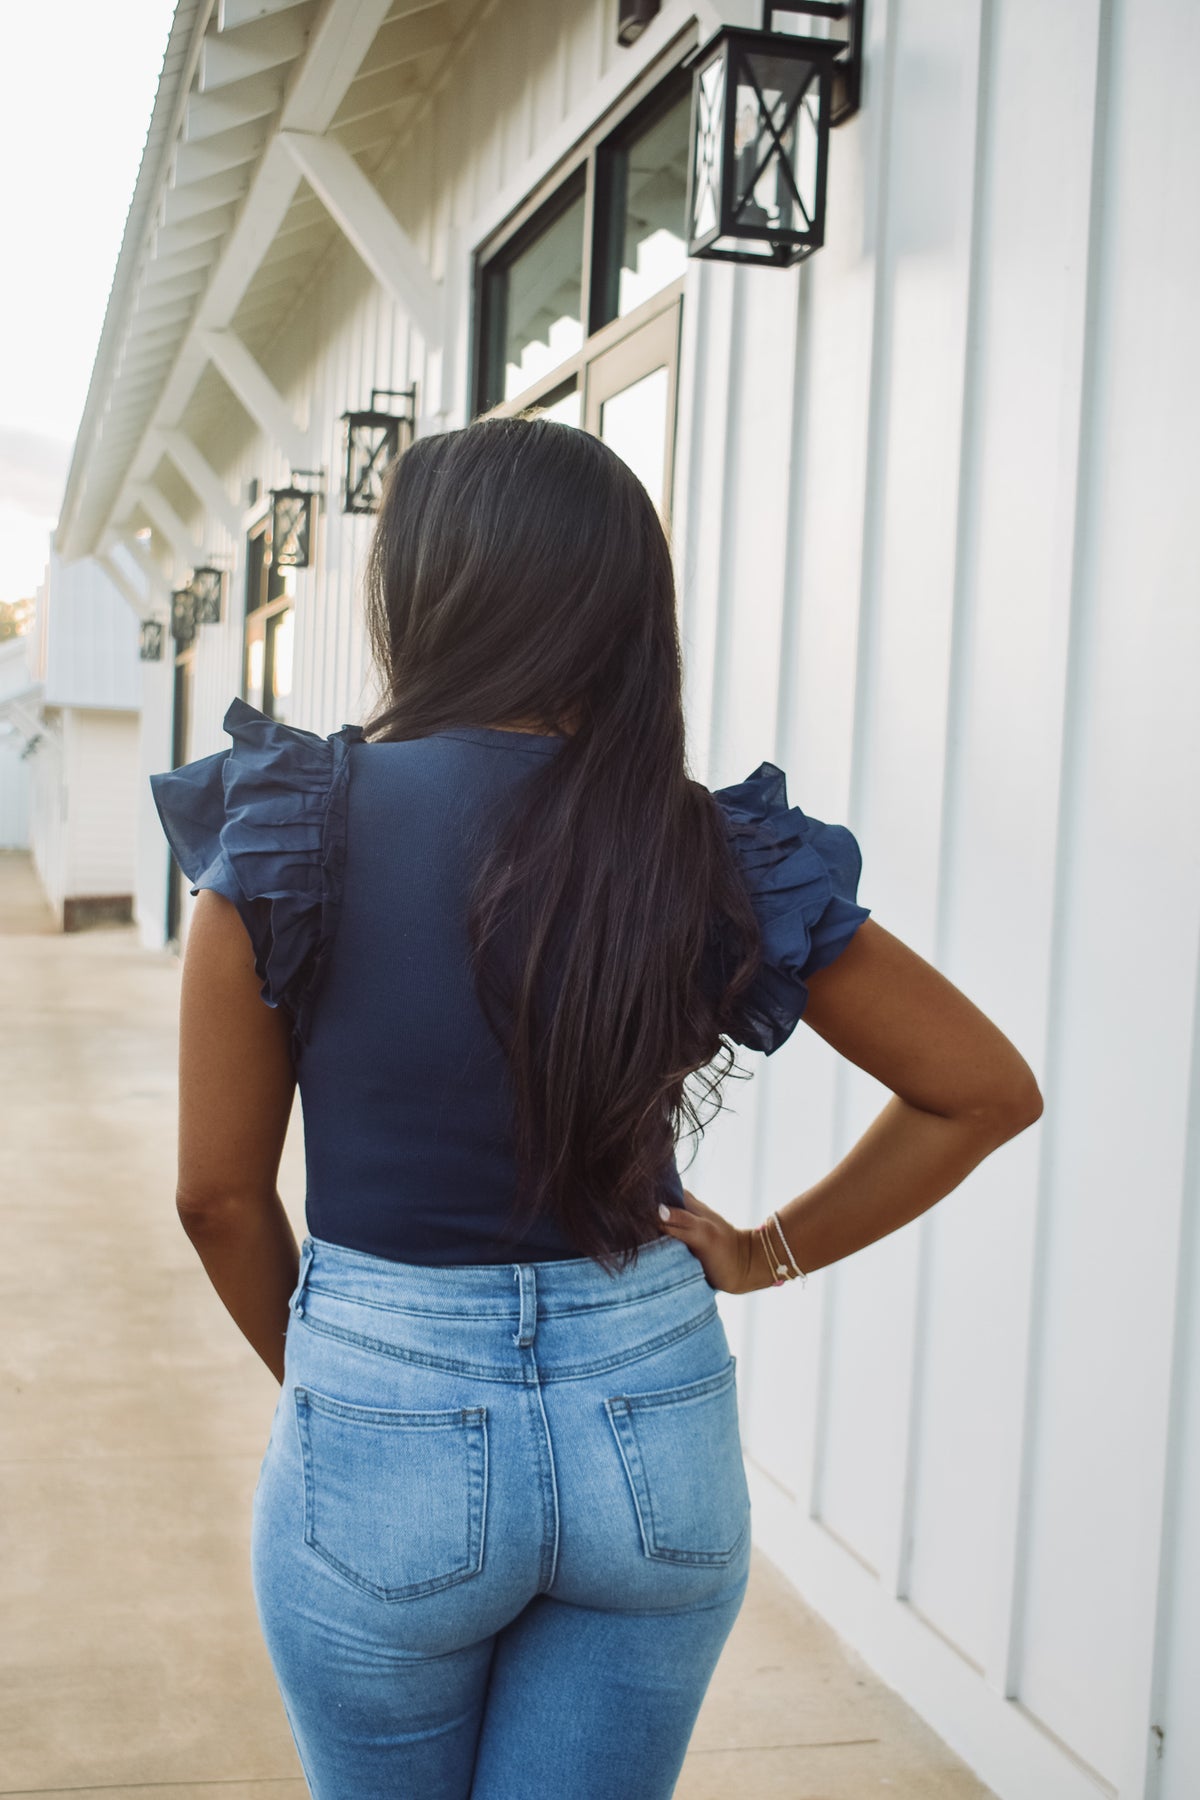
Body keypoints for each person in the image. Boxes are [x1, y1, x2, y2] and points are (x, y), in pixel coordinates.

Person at [149, 414, 1043, 1800]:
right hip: (654, 1420)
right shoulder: (703, 845)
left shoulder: (286, 829)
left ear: (425, 592)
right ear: (623, 605)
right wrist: (767, 1252)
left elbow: (217, 1198)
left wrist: (354, 1392)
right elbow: (982, 1090)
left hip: (387, 1406)